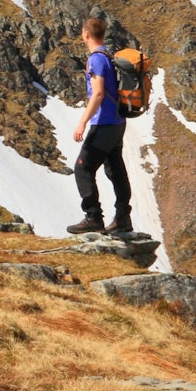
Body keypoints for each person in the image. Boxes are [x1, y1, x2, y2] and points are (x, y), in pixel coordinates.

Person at [66, 18, 132, 235]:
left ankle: (93, 217)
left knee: (82, 168)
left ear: (85, 34)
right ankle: (123, 218)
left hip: (103, 123)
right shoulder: (108, 55)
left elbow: (98, 93)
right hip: (117, 122)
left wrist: (82, 122)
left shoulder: (96, 60)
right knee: (115, 169)